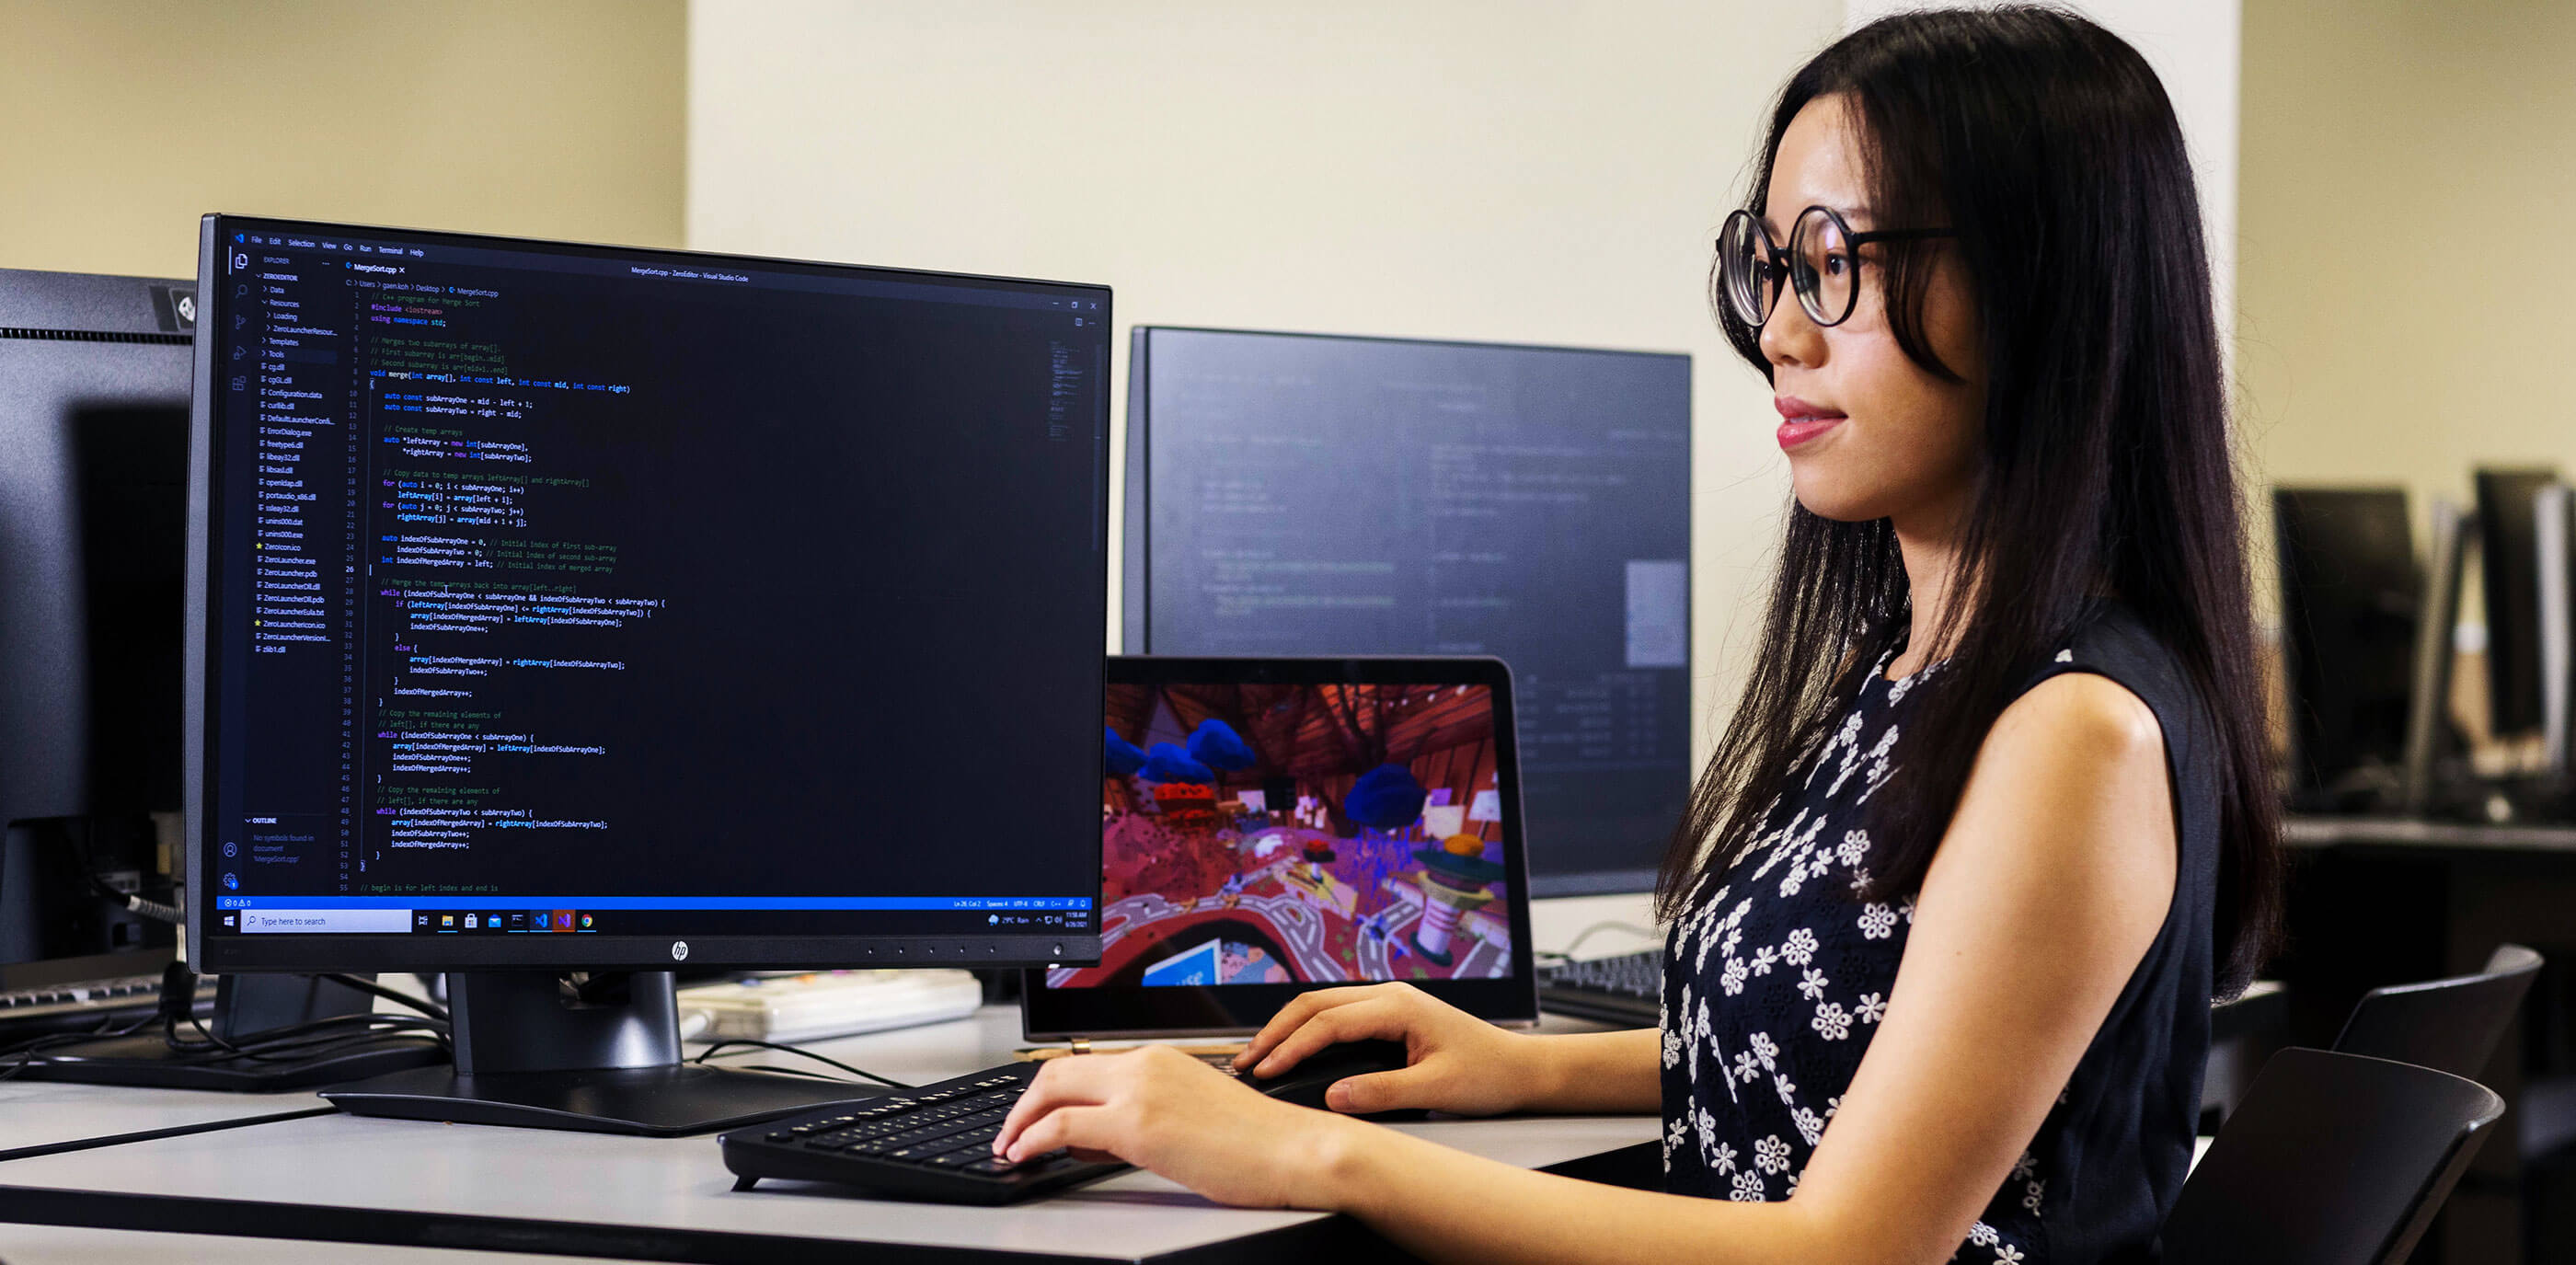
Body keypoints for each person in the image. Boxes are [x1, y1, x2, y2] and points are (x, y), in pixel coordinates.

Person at [993, 8, 2282, 1262]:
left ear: (2037, 286)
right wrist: (1513, 1068)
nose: (1776, 333)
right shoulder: (1909, 670)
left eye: (1833, 266)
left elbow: (1855, 1249)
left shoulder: (2073, 734)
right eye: (1773, 268)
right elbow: (1848, 1062)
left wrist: (1315, 1157)